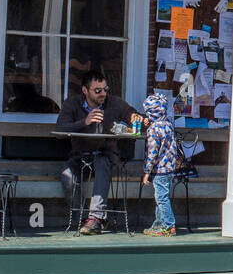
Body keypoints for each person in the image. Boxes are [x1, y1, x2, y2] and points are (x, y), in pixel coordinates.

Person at [56, 70, 143, 235]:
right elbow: (60, 129)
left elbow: (130, 113)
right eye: (97, 90)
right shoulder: (72, 104)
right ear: (85, 90)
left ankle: (96, 218)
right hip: (80, 154)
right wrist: (85, 121)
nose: (103, 93)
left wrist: (136, 118)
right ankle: (81, 219)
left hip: (106, 152)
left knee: (102, 162)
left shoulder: (114, 103)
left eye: (105, 89)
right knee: (67, 174)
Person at [140, 93, 180, 237]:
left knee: (162, 199)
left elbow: (152, 153)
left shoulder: (153, 130)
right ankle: (159, 224)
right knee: (161, 197)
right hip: (170, 169)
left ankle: (169, 226)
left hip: (160, 170)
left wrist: (146, 172)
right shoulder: (168, 125)